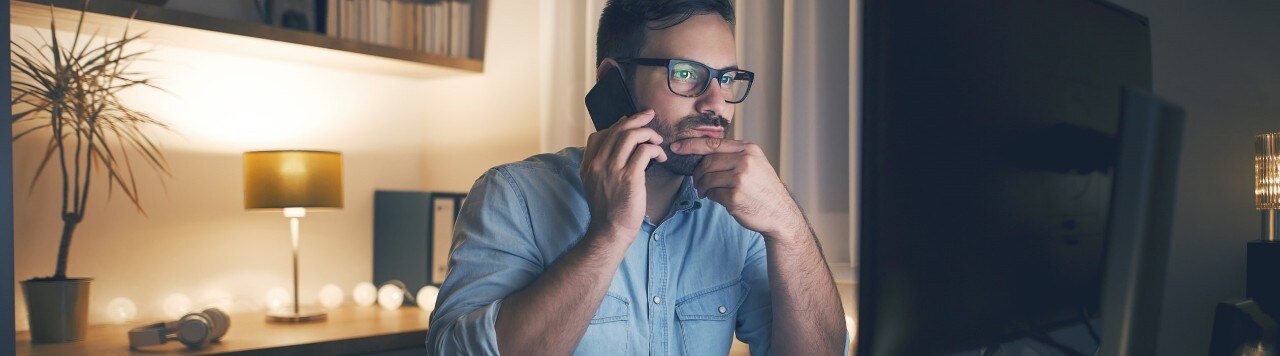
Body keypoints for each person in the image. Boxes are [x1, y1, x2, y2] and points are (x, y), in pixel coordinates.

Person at [425, 0, 848, 354]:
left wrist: (788, 226)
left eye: (725, 78)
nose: (716, 103)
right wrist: (608, 235)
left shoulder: (737, 216)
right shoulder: (513, 196)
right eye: (685, 73)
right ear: (614, 80)